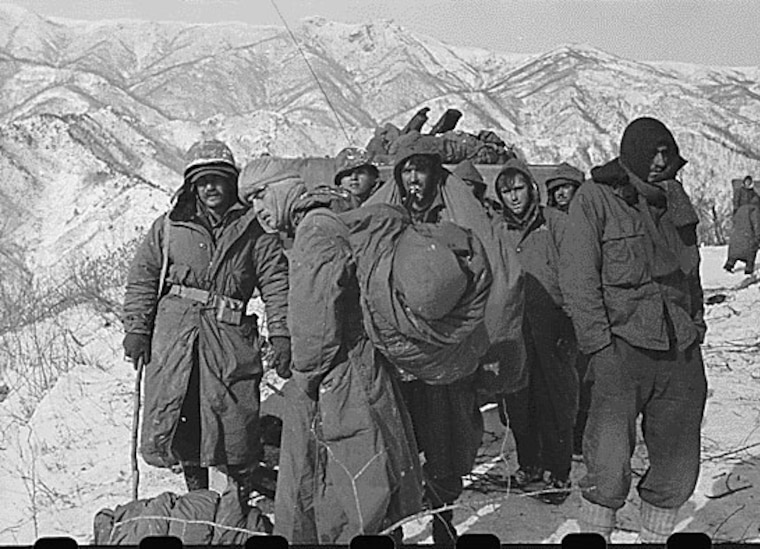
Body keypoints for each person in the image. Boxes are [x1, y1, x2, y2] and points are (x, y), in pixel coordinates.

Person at [238, 159, 423, 544]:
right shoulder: (330, 219)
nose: (258, 208)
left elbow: (314, 323)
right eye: (250, 201)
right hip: (359, 369)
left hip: (339, 378)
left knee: (348, 487)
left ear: (287, 187)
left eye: (261, 194)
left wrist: (302, 380)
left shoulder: (313, 233)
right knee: (365, 478)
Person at [364, 133, 526, 543]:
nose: (414, 179)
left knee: (447, 444)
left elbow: (497, 274)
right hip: (397, 355)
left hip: (448, 353)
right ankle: (394, 526)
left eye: (420, 169)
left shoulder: (461, 213)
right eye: (407, 171)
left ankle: (443, 517)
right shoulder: (385, 212)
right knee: (393, 442)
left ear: (435, 172)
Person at [560, 117, 707, 543]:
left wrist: (696, 324)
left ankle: (655, 538)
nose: (660, 162)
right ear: (632, 154)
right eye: (652, 153)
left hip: (679, 346)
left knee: (678, 464)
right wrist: (599, 349)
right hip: (620, 347)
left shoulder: (676, 201)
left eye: (667, 153)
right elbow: (579, 279)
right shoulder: (595, 199)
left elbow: (689, 273)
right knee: (607, 463)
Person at [121, 139, 290, 502]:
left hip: (228, 340)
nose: (211, 187)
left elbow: (277, 282)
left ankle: (236, 495)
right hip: (175, 337)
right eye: (203, 181)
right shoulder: (169, 227)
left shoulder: (253, 228)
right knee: (184, 417)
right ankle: (198, 497)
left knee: (234, 422)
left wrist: (281, 333)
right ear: (192, 186)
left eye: (218, 179)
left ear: (232, 183)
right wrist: (137, 327)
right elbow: (144, 277)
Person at [493, 160, 579, 505]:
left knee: (555, 401)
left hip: (553, 324)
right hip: (514, 327)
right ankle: (529, 464)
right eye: (506, 191)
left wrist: (572, 322)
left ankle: (558, 474)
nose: (514, 197)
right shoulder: (499, 229)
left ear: (532, 188)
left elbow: (575, 272)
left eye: (519, 188)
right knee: (518, 400)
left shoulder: (555, 223)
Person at [543, 163, 589, 456]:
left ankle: (580, 433)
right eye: (556, 189)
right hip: (557, 306)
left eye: (566, 187)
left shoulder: (588, 219)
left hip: (584, 305)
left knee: (584, 377)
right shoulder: (548, 223)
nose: (561, 193)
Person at [724, 175, 760, 274]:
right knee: (751, 249)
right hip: (747, 229)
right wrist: (759, 236)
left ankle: (730, 263)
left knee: (736, 244)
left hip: (740, 220)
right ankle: (749, 270)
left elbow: (735, 204)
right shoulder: (755, 208)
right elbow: (757, 225)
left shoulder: (747, 194)